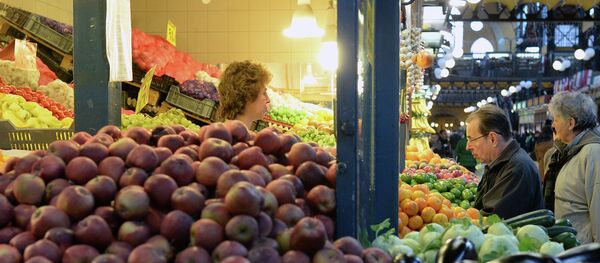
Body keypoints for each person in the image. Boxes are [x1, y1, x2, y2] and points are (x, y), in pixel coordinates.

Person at [465, 105, 543, 219]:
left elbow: (493, 218)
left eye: (471, 139)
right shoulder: (500, 163)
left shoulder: (517, 168)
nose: (468, 146)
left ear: (493, 138)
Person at [545, 91, 600, 244]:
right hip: (569, 245)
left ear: (571, 123)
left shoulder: (593, 152)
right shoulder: (565, 152)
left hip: (583, 250)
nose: (553, 125)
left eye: (556, 119)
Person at [216, 60, 272, 128]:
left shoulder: (226, 131)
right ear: (248, 96)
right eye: (264, 93)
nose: (268, 99)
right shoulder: (230, 137)